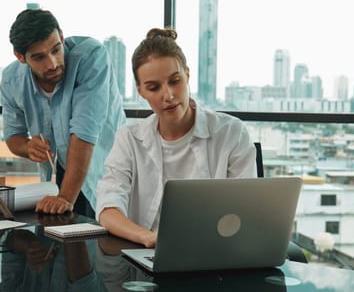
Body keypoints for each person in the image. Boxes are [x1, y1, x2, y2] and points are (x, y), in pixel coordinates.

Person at [95, 28, 256, 247]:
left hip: (216, 253)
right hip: (146, 253)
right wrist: (148, 238)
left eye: (175, 81)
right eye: (154, 87)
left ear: (187, 74)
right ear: (140, 91)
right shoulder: (129, 139)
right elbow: (108, 208)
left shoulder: (231, 133)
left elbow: (246, 210)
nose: (168, 95)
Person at [1, 9, 126, 217]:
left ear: (61, 36)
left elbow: (84, 132)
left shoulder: (91, 56)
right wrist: (28, 147)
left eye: (56, 50)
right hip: (62, 173)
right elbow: (13, 136)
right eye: (39, 57)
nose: (52, 63)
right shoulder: (11, 80)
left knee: (108, 245)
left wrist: (65, 198)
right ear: (20, 57)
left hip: (109, 173)